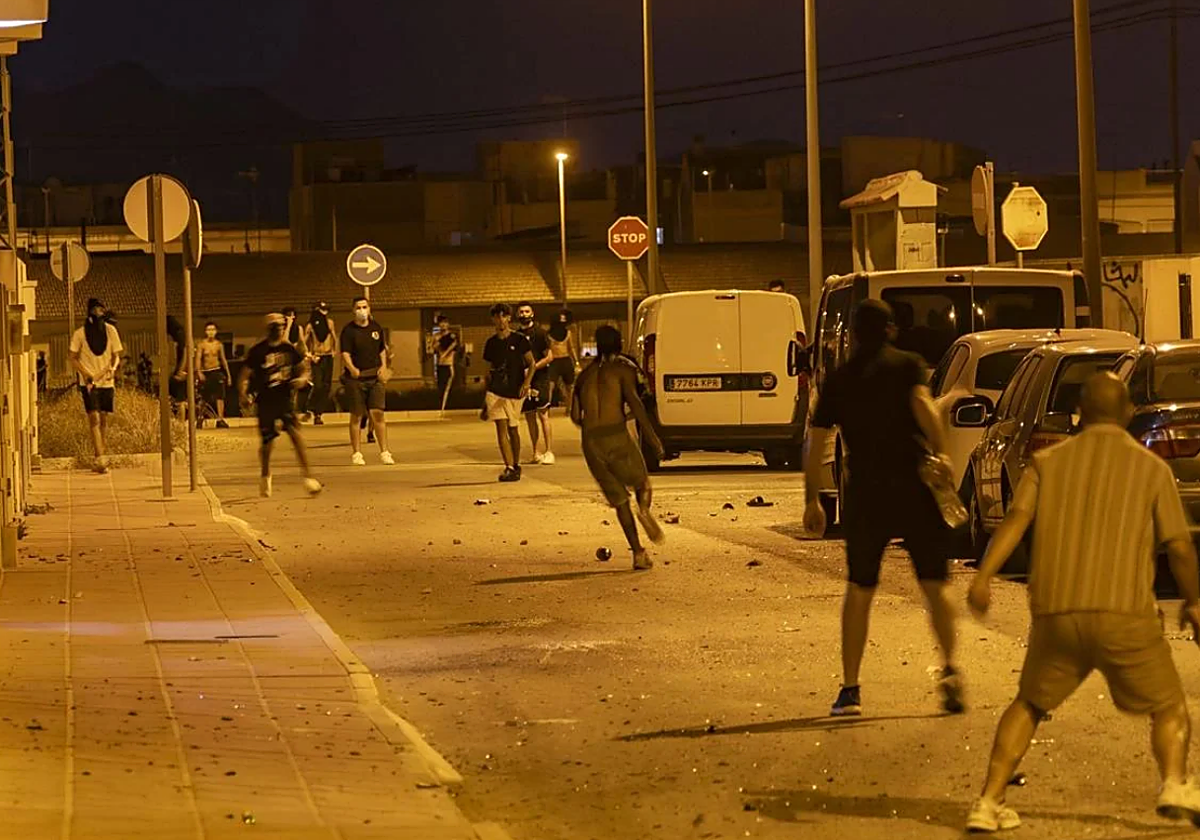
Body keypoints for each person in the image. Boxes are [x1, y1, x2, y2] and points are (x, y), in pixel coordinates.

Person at [963, 372, 1200, 833]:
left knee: (1029, 704)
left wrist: (985, 576)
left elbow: (1016, 518)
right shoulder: (1152, 469)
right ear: (1128, 412)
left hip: (1056, 612)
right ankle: (1174, 783)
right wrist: (1194, 600)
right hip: (1125, 614)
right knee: (1169, 704)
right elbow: (1180, 547)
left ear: (1080, 414)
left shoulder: (1046, 464)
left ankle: (988, 803)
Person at [803, 299, 963, 717]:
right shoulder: (908, 365)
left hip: (866, 494)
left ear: (854, 334)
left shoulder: (839, 379)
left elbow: (816, 441)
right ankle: (950, 671)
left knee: (860, 589)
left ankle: (851, 689)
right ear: (890, 330)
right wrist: (943, 454)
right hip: (913, 486)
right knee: (933, 585)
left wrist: (811, 498)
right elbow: (925, 409)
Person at [572, 325, 664, 571]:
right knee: (642, 484)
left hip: (591, 442)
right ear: (618, 344)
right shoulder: (622, 370)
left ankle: (638, 553)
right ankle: (644, 510)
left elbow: (575, 415)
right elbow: (636, 403)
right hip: (616, 436)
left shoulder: (584, 376)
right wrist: (654, 439)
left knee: (620, 502)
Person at [238, 313, 323, 499]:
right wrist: (244, 394)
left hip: (285, 400)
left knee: (296, 436)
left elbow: (303, 368)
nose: (278, 329)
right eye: (274, 326)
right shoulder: (258, 351)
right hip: (266, 401)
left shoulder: (289, 349)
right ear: (269, 329)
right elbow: (245, 374)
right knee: (267, 443)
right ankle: (265, 474)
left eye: (281, 326)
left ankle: (308, 476)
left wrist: (302, 379)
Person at [68, 298, 123, 473]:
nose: (99, 313)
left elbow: (116, 355)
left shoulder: (110, 330)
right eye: (96, 310)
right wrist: (85, 374)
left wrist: (112, 368)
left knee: (104, 419)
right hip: (89, 383)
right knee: (94, 418)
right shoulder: (80, 334)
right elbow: (72, 357)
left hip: (107, 382)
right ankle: (100, 458)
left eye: (101, 309)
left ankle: (100, 455)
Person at [483, 302, 535, 482]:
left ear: (509, 318)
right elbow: (488, 371)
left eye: (503, 316)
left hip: (515, 390)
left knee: (513, 429)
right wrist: (485, 398)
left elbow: (532, 363)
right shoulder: (490, 343)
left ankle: (516, 463)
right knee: (501, 427)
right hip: (496, 391)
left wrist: (527, 384)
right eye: (497, 316)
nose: (500, 320)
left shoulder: (519, 340)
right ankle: (509, 466)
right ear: (493, 319)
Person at [340, 296, 394, 466]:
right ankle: (356, 453)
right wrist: (352, 368)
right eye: (358, 307)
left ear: (369, 309)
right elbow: (345, 353)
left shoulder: (376, 328)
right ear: (353, 310)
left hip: (375, 378)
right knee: (357, 415)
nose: (362, 310)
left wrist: (383, 366)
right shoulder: (348, 331)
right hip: (356, 379)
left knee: (378, 413)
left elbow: (381, 351)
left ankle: (385, 452)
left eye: (365, 307)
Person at [516, 302, 555, 464]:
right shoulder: (516, 336)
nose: (524, 314)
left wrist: (533, 369)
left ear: (532, 313)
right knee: (530, 417)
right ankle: (535, 451)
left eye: (527, 311)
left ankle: (549, 451)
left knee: (543, 414)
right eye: (521, 312)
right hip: (525, 382)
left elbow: (549, 356)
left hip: (539, 379)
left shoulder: (540, 333)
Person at [301, 301, 336, 425]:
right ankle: (310, 407)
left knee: (326, 387)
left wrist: (334, 351)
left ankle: (318, 414)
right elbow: (304, 342)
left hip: (328, 357)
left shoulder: (330, 323)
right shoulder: (310, 326)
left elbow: (334, 338)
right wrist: (309, 355)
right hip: (317, 357)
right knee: (318, 384)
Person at [196, 321, 231, 428]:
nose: (211, 332)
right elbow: (198, 359)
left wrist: (228, 375)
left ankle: (220, 419)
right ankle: (200, 418)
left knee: (220, 396)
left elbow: (223, 360)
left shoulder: (219, 345)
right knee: (204, 397)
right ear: (206, 331)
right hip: (206, 372)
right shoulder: (201, 344)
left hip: (217, 371)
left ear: (215, 331)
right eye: (209, 330)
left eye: (213, 330)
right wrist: (199, 372)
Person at [546, 308, 579, 414]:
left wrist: (576, 361)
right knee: (550, 385)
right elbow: (547, 349)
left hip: (565, 360)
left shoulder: (568, 333)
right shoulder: (548, 335)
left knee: (570, 386)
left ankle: (569, 408)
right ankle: (547, 408)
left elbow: (571, 348)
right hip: (553, 361)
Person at [434, 314, 458, 415]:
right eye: (441, 323)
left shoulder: (452, 336)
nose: (443, 325)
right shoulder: (437, 336)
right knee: (440, 387)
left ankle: (445, 409)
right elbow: (434, 348)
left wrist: (445, 353)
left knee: (448, 388)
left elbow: (453, 347)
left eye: (444, 323)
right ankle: (440, 408)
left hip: (448, 365)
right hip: (440, 365)